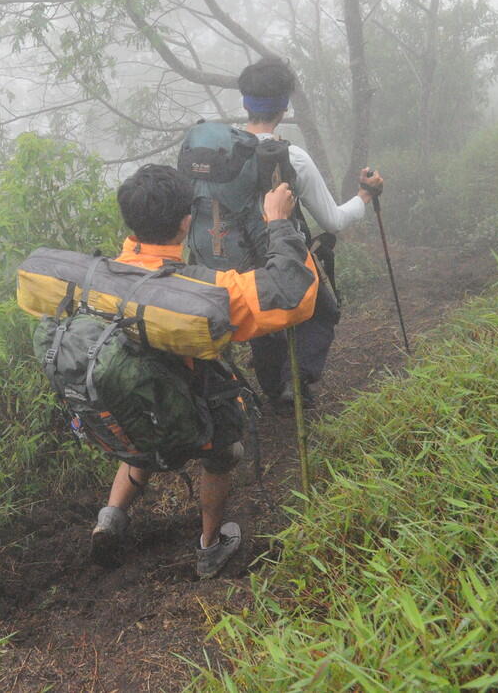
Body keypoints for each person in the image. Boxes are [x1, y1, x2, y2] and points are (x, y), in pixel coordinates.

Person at [91, 163, 318, 578]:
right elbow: (291, 295)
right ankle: (210, 546)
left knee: (143, 434)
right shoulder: (207, 291)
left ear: (131, 222)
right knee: (223, 453)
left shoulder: (102, 274)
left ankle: (109, 518)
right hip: (185, 404)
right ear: (186, 223)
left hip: (132, 401)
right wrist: (280, 222)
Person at [235, 56, 384, 410]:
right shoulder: (291, 157)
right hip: (283, 251)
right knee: (322, 312)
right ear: (284, 107)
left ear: (245, 102)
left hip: (234, 260)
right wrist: (365, 195)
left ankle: (273, 388)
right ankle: (295, 384)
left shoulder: (223, 153)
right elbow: (332, 221)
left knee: (263, 315)